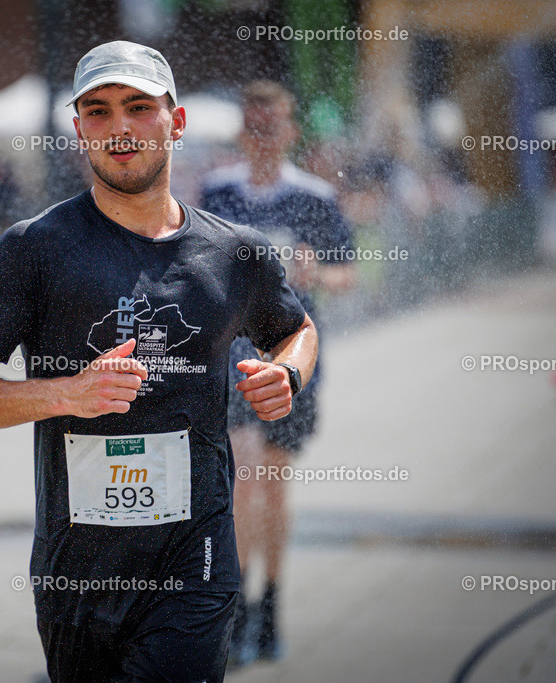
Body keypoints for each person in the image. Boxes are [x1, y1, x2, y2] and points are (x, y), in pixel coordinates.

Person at [0, 42, 318, 682]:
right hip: (76, 572)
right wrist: (66, 394)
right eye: (100, 110)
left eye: (139, 108)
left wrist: (288, 374)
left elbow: (296, 328)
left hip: (194, 560)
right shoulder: (32, 250)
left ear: (178, 120)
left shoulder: (234, 255)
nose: (120, 127)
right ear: (78, 126)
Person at [200, 80, 356, 665]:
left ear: (290, 131)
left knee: (272, 481)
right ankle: (238, 612)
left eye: (274, 126)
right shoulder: (217, 192)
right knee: (242, 477)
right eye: (254, 126)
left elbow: (349, 273)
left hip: (293, 356)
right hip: (235, 356)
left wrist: (317, 272)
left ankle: (272, 605)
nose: (263, 137)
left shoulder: (314, 197)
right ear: (243, 132)